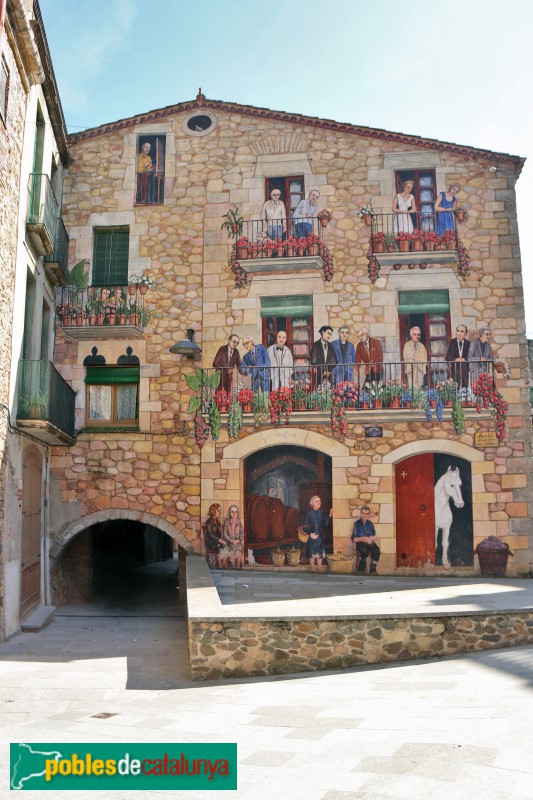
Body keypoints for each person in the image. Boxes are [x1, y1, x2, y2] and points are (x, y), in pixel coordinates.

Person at [302, 495, 332, 572]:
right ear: (312, 503)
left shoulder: (321, 512)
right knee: (312, 555)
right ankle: (312, 571)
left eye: (320, 501)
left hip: (320, 537)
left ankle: (319, 571)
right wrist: (310, 534)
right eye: (316, 501)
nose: (319, 503)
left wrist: (329, 515)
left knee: (319, 555)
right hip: (312, 537)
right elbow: (304, 527)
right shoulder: (309, 513)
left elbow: (325, 525)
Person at [351, 506, 380, 575]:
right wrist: (361, 539)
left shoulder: (370, 524)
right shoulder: (357, 524)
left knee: (376, 550)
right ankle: (361, 569)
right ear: (361, 513)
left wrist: (372, 538)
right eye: (363, 513)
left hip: (369, 542)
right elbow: (353, 538)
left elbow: (374, 535)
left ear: (369, 515)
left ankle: (373, 568)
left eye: (367, 514)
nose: (364, 515)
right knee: (365, 551)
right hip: (360, 543)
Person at [445, 324, 471, 389]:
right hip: (454, 371)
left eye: (462, 331)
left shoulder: (468, 343)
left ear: (465, 334)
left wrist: (464, 359)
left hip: (465, 371)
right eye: (458, 331)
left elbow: (470, 357)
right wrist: (455, 359)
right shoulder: (452, 342)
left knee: (465, 389)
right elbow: (447, 357)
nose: (459, 333)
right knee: (455, 389)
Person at [204, 503, 228, 569]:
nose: (220, 512)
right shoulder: (209, 521)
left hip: (217, 540)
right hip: (210, 541)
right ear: (214, 511)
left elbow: (219, 534)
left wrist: (222, 540)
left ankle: (224, 564)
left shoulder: (218, 522)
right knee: (218, 545)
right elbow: (210, 534)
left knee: (226, 545)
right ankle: (220, 565)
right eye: (218, 510)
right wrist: (219, 540)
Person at [223, 505, 244, 569]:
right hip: (229, 542)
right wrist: (230, 540)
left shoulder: (239, 522)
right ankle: (233, 566)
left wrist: (238, 540)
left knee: (240, 548)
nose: (234, 514)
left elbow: (242, 533)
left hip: (237, 542)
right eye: (232, 512)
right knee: (230, 549)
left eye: (235, 512)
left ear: (237, 513)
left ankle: (238, 565)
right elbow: (225, 534)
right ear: (230, 513)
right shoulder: (226, 522)